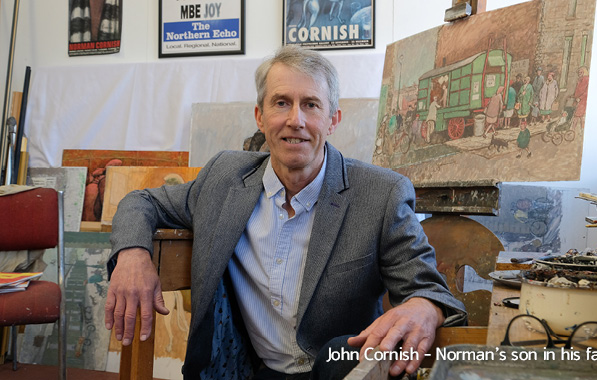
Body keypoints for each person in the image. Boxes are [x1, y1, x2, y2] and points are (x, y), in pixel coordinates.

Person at [104, 46, 466, 380]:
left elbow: (427, 289)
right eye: (281, 103)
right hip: (247, 370)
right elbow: (141, 201)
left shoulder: (381, 194)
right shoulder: (224, 179)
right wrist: (133, 254)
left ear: (332, 120)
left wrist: (424, 306)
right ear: (260, 117)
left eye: (311, 104)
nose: (296, 120)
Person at [571, 66, 589, 131]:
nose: (579, 73)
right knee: (577, 116)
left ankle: (580, 129)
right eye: (579, 72)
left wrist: (580, 98)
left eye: (581, 72)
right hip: (577, 100)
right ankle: (573, 130)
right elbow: (577, 90)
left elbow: (586, 92)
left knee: (579, 116)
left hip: (582, 101)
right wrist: (572, 96)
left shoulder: (587, 79)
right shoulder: (579, 80)